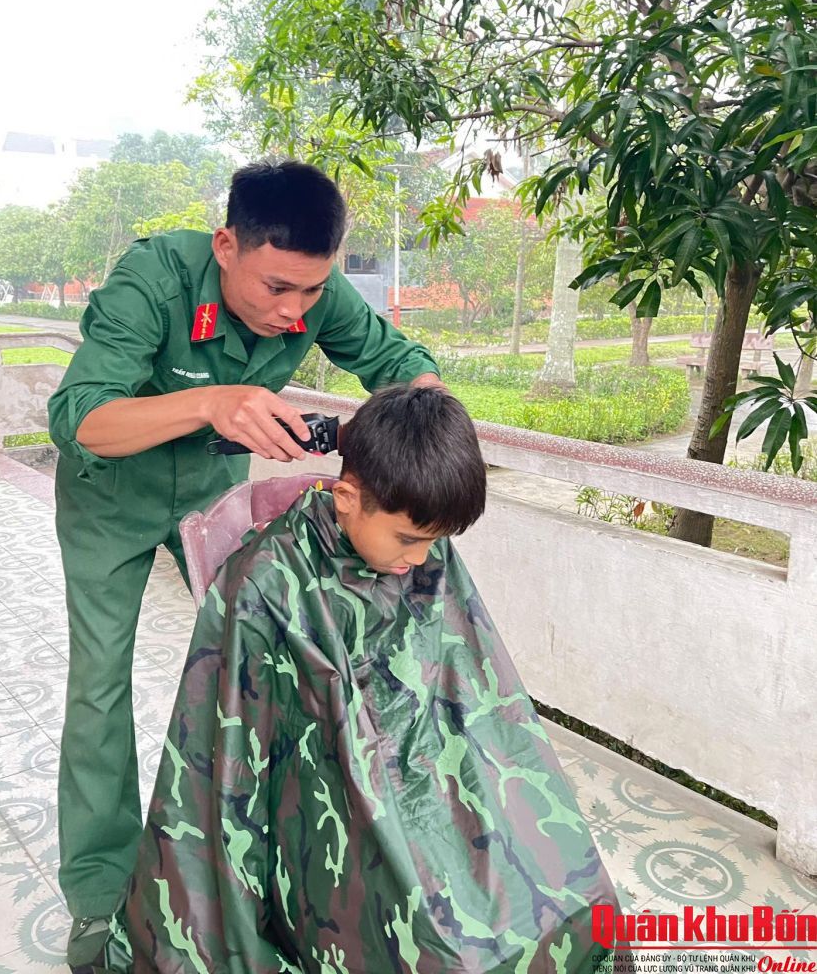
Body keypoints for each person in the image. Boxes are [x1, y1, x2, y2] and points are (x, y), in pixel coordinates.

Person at [47, 160, 442, 970]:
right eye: (276, 288)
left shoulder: (312, 291)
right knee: (99, 686)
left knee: (265, 670)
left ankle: (264, 866)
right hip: (110, 499)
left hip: (210, 495)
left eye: (311, 291)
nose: (294, 311)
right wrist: (211, 402)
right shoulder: (154, 279)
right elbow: (78, 417)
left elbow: (407, 369)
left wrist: (413, 440)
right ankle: (98, 892)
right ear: (226, 245)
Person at [98, 386, 625, 974]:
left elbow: (466, 685)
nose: (421, 560)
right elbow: (238, 754)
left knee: (575, 893)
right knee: (446, 948)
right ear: (346, 498)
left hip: (422, 770)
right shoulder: (266, 582)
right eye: (410, 540)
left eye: (435, 542)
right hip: (331, 800)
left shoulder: (420, 549)